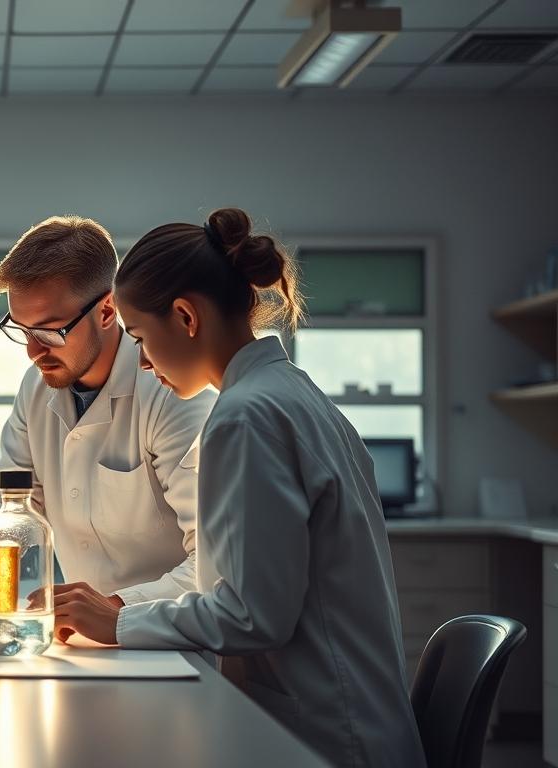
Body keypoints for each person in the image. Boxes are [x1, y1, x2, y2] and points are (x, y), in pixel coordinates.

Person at [56, 207, 423, 767]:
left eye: (140, 338)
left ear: (185, 316)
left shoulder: (245, 416)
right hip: (355, 722)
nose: (143, 362)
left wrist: (117, 622)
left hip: (330, 739)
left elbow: (253, 616)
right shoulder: (292, 393)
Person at [0, 215, 214, 607]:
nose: (33, 352)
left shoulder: (171, 390)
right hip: (80, 631)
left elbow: (212, 563)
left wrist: (113, 610)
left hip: (167, 631)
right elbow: (17, 501)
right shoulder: (36, 388)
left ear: (107, 310)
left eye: (49, 331)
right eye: (22, 330)